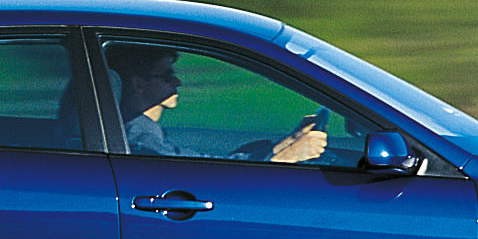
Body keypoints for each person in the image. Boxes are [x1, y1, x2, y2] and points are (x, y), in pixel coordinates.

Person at [104, 44, 327, 163]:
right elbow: (197, 178)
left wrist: (288, 143)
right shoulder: (141, 142)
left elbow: (210, 163)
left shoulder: (136, 133)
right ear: (139, 85)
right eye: (165, 76)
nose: (177, 81)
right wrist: (286, 158)